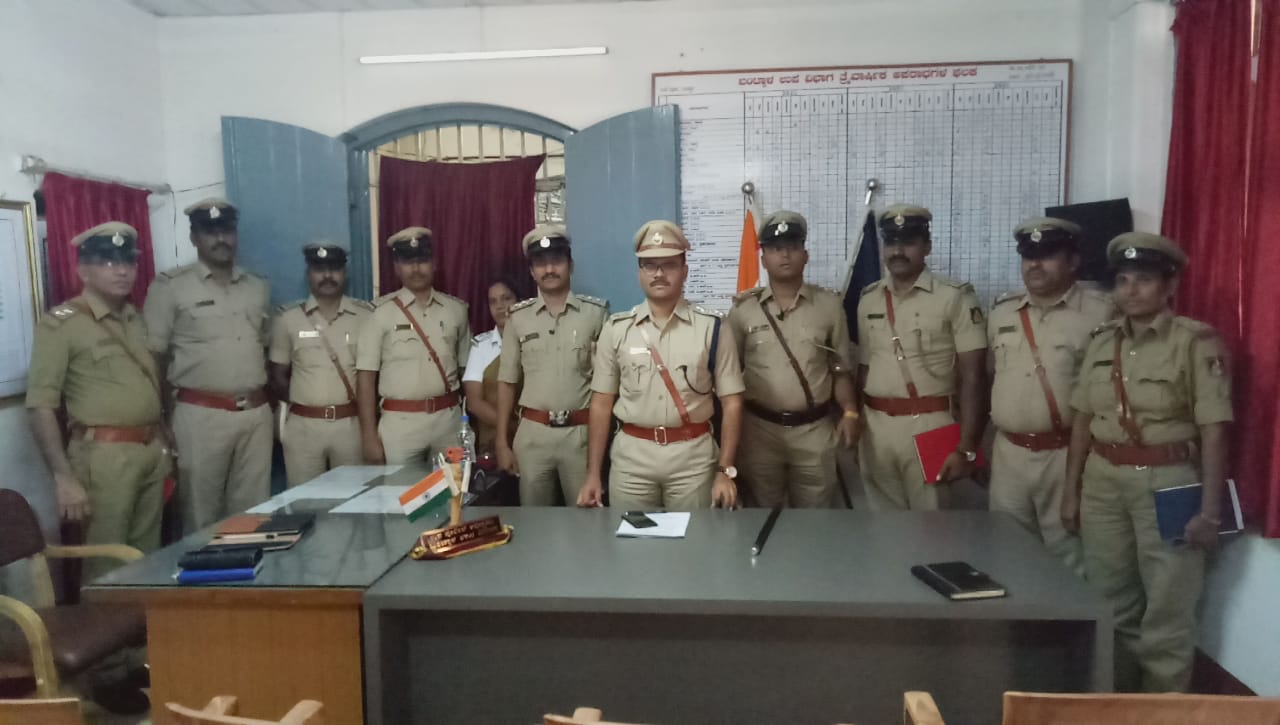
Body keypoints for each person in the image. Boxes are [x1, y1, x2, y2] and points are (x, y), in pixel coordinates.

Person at [1063, 232, 1232, 693]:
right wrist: (1071, 492)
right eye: (1123, 280)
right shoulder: (1103, 342)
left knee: (1167, 610)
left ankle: (1160, 712)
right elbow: (1083, 421)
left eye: (1143, 279)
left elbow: (1214, 429)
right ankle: (1115, 704)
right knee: (1110, 603)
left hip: (1169, 483)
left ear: (1169, 286)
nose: (1131, 290)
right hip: (1103, 481)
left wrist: (1210, 512)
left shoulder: (1194, 342)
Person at [26, 222, 169, 578]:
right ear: (83, 271)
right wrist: (63, 477)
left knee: (146, 556)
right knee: (107, 561)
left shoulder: (135, 318)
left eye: (127, 261)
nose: (121, 270)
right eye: (107, 262)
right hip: (103, 459)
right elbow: (41, 405)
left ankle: (141, 617)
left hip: (149, 449)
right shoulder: (62, 324)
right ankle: (108, 616)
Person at [577, 220, 745, 511]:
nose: (658, 273)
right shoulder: (617, 329)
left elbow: (732, 403)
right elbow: (601, 404)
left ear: (684, 271)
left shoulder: (713, 328)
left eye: (669, 265)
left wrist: (724, 470)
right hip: (632, 462)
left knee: (693, 537)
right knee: (633, 537)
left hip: (692, 461)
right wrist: (593, 474)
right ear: (639, 272)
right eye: (649, 265)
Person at [987, 218, 1113, 574]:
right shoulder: (1001, 312)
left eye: (1047, 255)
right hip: (1008, 453)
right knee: (1008, 554)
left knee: (1070, 558)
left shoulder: (1102, 314)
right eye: (1028, 256)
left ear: (1073, 261)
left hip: (1066, 454)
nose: (1035, 265)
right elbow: (989, 378)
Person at [144, 198, 271, 531]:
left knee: (253, 516)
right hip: (200, 417)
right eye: (210, 232)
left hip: (255, 415)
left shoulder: (257, 286)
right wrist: (162, 418)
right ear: (194, 238)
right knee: (200, 517)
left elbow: (264, 346)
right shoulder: (171, 287)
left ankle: (248, 567)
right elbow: (153, 357)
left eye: (226, 230)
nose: (220, 239)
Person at [855, 204, 987, 510]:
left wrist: (968, 447)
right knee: (882, 524)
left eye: (908, 242)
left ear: (926, 247)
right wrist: (859, 424)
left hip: (931, 424)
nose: (897, 251)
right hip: (876, 426)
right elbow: (865, 367)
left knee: (932, 526)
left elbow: (974, 377)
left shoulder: (954, 297)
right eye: (891, 242)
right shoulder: (869, 298)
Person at [726, 210, 857, 508]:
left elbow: (840, 369)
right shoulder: (743, 311)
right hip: (759, 432)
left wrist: (850, 412)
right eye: (775, 248)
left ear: (805, 255)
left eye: (792, 247)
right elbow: (730, 374)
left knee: (815, 517)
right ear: (763, 259)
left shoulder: (829, 307)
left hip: (814, 431)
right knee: (762, 514)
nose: (784, 255)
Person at [496, 224, 609, 505]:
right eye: (540, 263)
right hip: (533, 437)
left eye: (556, 261)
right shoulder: (518, 318)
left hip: (580, 436)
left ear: (570, 265)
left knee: (586, 518)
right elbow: (507, 381)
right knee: (535, 521)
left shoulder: (596, 314)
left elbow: (607, 385)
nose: (549, 269)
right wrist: (501, 440)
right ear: (531, 271)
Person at [356, 226, 471, 465]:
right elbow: (366, 378)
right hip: (400, 425)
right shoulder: (379, 314)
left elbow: (466, 372)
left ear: (434, 263)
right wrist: (368, 435)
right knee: (400, 489)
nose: (416, 269)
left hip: (448, 422)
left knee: (452, 487)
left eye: (422, 260)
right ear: (397, 267)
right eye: (408, 262)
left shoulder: (456, 311)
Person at [268, 241, 373, 486]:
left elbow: (373, 375)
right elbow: (278, 376)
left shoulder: (365, 317)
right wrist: (308, 402)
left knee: (353, 498)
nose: (327, 276)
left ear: (344, 273)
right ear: (308, 274)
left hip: (350, 426)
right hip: (304, 428)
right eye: (319, 269)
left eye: (334, 269)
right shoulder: (287, 319)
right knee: (304, 501)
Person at [462, 277, 520, 456]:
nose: (500, 306)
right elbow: (474, 403)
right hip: (492, 443)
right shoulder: (481, 346)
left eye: (506, 298)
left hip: (535, 440)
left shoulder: (535, 342)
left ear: (520, 301)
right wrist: (513, 428)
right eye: (493, 301)